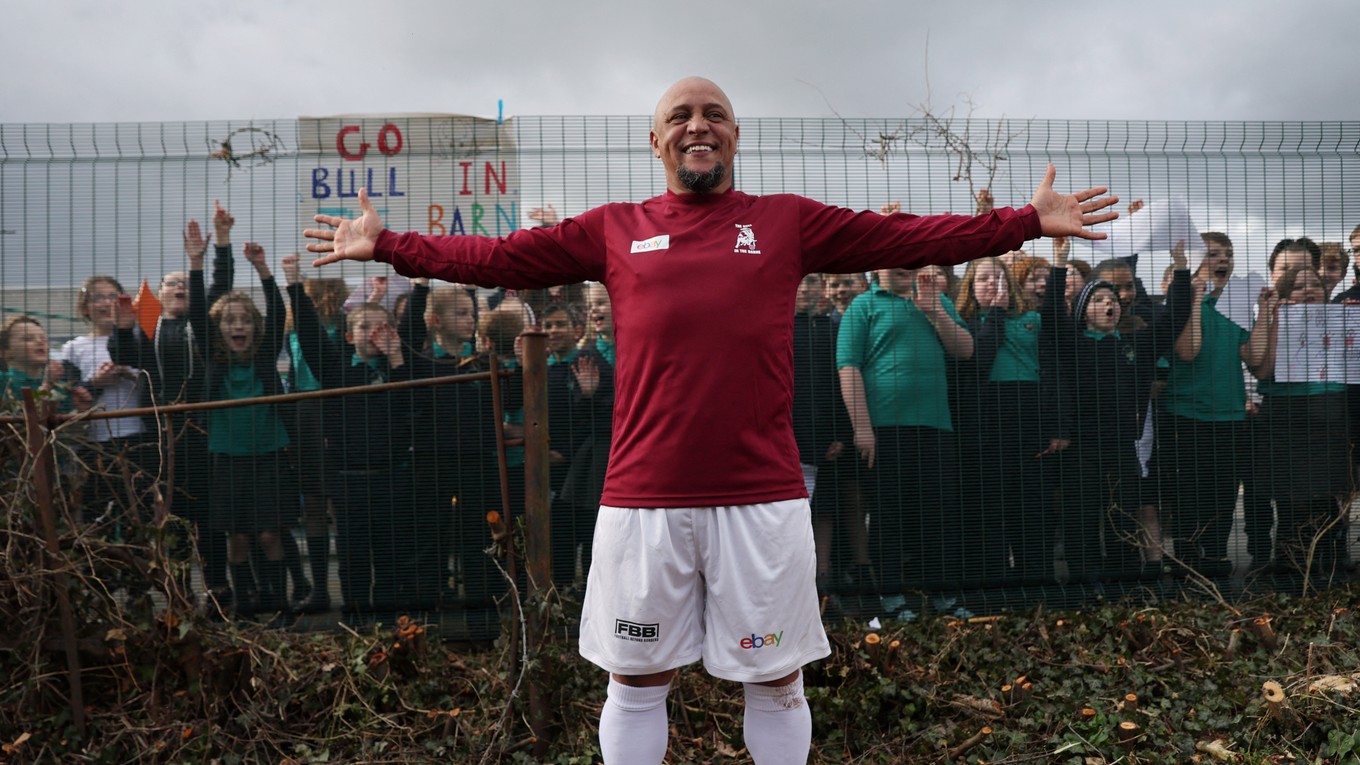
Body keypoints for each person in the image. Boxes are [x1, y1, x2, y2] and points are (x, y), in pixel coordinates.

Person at [304, 77, 1118, 765]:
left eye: (715, 115)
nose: (699, 124)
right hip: (643, 500)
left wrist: (1018, 223)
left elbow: (901, 233)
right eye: (682, 117)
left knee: (777, 681)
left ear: (735, 137)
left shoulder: (787, 222)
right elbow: (501, 258)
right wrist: (390, 246)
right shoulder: (615, 229)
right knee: (636, 681)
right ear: (654, 140)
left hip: (761, 499)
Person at [109, 204, 236, 606]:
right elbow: (126, 355)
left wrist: (217, 248)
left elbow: (218, 285)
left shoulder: (205, 323)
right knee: (176, 518)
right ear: (159, 295)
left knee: (212, 517)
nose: (180, 289)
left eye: (185, 284)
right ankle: (182, 592)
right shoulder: (150, 328)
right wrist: (124, 327)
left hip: (208, 430)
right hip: (164, 437)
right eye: (171, 285)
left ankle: (217, 587)